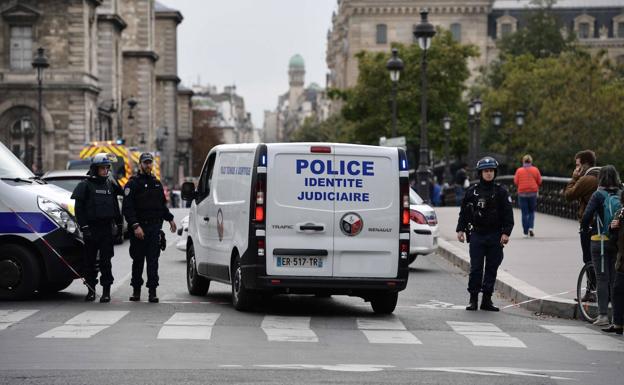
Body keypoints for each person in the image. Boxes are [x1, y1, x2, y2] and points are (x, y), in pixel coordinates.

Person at [456, 157, 514, 311]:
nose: (488, 174)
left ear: (495, 172)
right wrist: (460, 229)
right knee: (476, 268)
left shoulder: (501, 192)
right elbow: (464, 212)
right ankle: (473, 299)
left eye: (491, 171)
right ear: (480, 173)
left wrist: (506, 233)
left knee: (492, 267)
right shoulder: (472, 191)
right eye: (485, 171)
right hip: (477, 234)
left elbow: (508, 214)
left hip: (495, 234)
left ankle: (486, 300)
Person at [123, 152, 177, 303]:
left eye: (150, 162)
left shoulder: (156, 183)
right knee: (138, 261)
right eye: (145, 162)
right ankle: (136, 291)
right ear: (140, 164)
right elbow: (128, 208)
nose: (148, 165)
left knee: (153, 261)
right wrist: (135, 226)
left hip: (154, 228)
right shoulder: (133, 183)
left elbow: (161, 206)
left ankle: (152, 291)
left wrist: (170, 219)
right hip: (139, 229)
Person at [71, 153, 123, 302]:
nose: (105, 171)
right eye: (102, 168)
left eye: (107, 168)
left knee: (106, 262)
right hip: (91, 229)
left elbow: (115, 206)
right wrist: (85, 228)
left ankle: (106, 291)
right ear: (95, 169)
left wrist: (119, 226)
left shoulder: (109, 184)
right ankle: (91, 290)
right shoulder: (85, 185)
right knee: (90, 262)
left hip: (106, 229)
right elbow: (79, 209)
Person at [581, 165, 621, 326]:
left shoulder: (598, 195)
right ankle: (617, 316)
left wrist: (585, 228)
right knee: (616, 278)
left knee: (602, 278)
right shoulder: (620, 193)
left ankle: (603, 315)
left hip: (600, 241)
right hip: (617, 241)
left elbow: (586, 216)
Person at [564, 150, 600, 302]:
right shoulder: (605, 176)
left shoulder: (587, 179)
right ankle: (606, 292)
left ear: (585, 164)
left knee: (589, 259)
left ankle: (591, 291)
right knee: (605, 259)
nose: (576, 168)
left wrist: (574, 177)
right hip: (606, 225)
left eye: (578, 165)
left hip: (590, 225)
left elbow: (568, 195)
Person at [604, 193, 624, 335]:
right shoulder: (622, 210)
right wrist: (613, 226)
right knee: (617, 290)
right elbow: (613, 229)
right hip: (622, 258)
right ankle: (618, 323)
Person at [513, 154, 542, 237]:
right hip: (532, 193)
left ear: (523, 161)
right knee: (531, 211)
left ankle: (525, 232)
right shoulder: (535, 170)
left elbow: (515, 181)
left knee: (524, 213)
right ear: (531, 161)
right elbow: (539, 181)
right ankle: (531, 228)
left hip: (522, 193)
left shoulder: (519, 171)